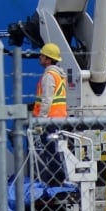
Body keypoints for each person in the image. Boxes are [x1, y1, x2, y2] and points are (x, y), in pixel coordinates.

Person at [32, 42, 67, 186]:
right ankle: (57, 178)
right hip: (58, 118)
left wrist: (41, 120)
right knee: (54, 150)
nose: (40, 57)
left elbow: (47, 99)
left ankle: (55, 180)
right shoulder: (59, 74)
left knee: (50, 151)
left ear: (48, 59)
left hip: (50, 120)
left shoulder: (49, 76)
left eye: (42, 55)